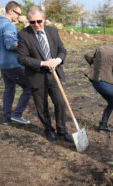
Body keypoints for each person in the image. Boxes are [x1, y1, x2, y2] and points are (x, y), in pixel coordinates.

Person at [17, 6, 73, 143]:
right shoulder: (23, 35)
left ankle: (62, 130)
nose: (36, 25)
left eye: (39, 21)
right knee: (42, 107)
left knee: (60, 103)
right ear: (28, 21)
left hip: (54, 75)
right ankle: (48, 130)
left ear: (44, 19)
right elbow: (22, 58)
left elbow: (62, 50)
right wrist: (42, 63)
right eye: (32, 22)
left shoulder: (53, 31)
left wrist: (57, 60)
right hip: (37, 76)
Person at [0, 1, 32, 125]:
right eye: (18, 13)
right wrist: (27, 46)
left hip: (3, 64)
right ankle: (17, 114)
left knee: (9, 90)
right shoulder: (8, 26)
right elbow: (10, 45)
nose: (19, 16)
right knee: (29, 87)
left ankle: (6, 118)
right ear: (10, 11)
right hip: (13, 64)